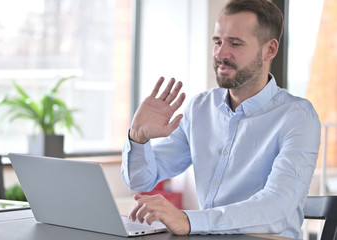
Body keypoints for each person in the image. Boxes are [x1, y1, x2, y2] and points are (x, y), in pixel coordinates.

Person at [121, 0, 321, 238]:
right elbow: (141, 180)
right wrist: (138, 138)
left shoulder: (298, 117)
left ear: (270, 50)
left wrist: (188, 220)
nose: (220, 54)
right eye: (217, 42)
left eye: (235, 44)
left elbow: (276, 208)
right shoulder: (200, 109)